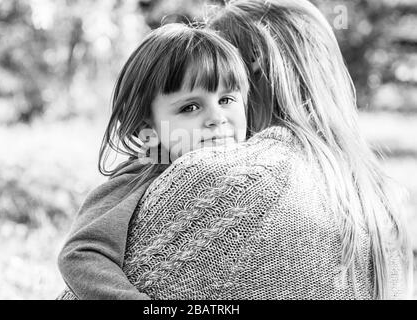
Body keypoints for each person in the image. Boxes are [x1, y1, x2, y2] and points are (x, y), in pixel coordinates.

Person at [119, 0, 413, 299]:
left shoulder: (224, 178)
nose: (216, 118)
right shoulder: (383, 201)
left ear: (252, 69)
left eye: (224, 94)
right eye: (190, 104)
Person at [57, 23, 250, 299]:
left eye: (227, 99)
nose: (217, 117)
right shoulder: (143, 173)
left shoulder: (256, 167)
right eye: (190, 107)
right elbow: (80, 254)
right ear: (149, 122)